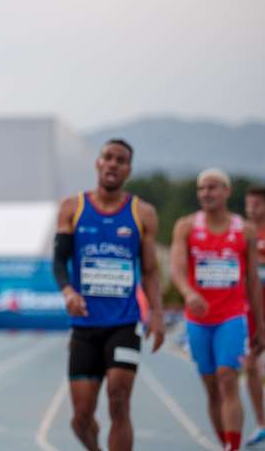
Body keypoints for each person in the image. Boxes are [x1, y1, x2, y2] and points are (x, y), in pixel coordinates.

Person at [52, 139, 165, 451]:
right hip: (85, 327)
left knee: (119, 400)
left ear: (128, 169)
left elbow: (152, 270)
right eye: (108, 157)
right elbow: (59, 261)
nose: (113, 163)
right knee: (81, 417)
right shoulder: (72, 208)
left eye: (121, 160)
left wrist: (156, 313)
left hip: (124, 324)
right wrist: (68, 291)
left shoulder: (143, 213)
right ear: (98, 163)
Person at [170, 169, 264, 451]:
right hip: (199, 320)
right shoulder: (186, 226)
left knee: (228, 379)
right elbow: (176, 269)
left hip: (232, 317)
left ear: (226, 191)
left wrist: (259, 324)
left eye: (212, 188)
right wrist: (189, 293)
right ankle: (225, 442)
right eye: (201, 189)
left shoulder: (243, 230)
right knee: (211, 388)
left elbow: (252, 282)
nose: (206, 194)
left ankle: (232, 448)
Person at [244, 186, 265, 448]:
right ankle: (261, 423)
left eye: (257, 204)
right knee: (249, 367)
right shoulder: (243, 233)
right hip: (249, 313)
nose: (252, 209)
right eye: (249, 204)